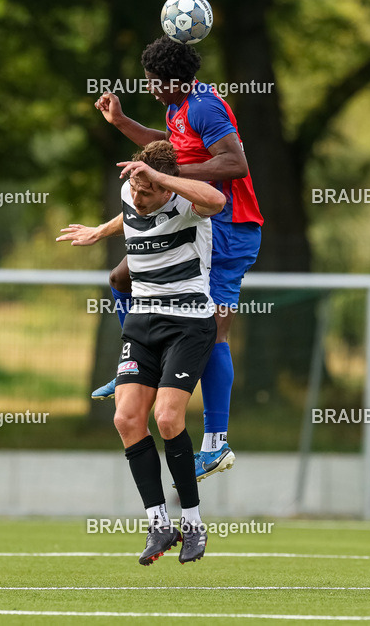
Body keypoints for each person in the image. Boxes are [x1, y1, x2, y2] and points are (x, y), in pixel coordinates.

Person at [89, 37, 263, 483]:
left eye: (153, 82)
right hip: (198, 220)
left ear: (173, 81)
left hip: (229, 227)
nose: (150, 89)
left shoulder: (205, 107)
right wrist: (123, 121)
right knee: (121, 277)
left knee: (215, 329)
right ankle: (132, 368)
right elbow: (168, 151)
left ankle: (215, 442)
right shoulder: (177, 105)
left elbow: (235, 164)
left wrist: (168, 176)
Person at [57, 140, 225, 564]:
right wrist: (100, 231)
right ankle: (158, 524)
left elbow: (218, 198)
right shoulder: (132, 190)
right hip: (142, 322)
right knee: (126, 418)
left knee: (167, 418)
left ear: (168, 187)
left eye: (147, 190)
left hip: (188, 323)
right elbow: (130, 214)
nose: (138, 197)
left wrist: (164, 179)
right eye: (134, 186)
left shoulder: (188, 204)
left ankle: (193, 524)